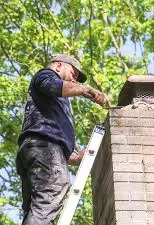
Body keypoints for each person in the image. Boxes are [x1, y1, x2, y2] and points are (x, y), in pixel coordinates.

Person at [16, 54, 107, 225]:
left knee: (37, 209)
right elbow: (54, 86)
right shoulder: (45, 75)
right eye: (73, 74)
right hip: (44, 149)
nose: (75, 80)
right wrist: (87, 89)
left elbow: (52, 134)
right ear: (59, 66)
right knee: (49, 196)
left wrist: (75, 157)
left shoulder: (54, 102)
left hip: (38, 150)